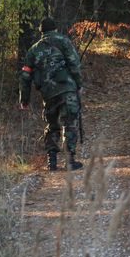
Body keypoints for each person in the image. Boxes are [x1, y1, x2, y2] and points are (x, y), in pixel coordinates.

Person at [19, 17, 84, 171]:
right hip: (67, 89)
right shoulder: (64, 41)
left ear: (41, 32)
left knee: (52, 125)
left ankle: (52, 161)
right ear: (55, 29)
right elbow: (74, 64)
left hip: (48, 94)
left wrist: (24, 99)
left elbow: (25, 76)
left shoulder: (33, 50)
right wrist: (79, 84)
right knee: (70, 122)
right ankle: (70, 160)